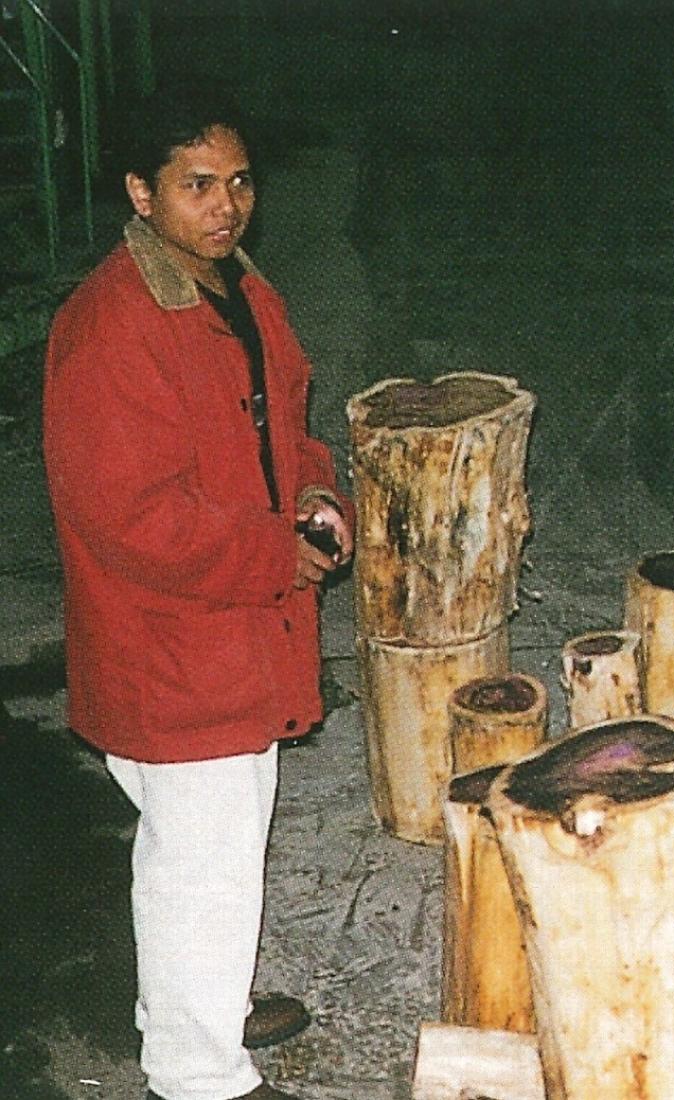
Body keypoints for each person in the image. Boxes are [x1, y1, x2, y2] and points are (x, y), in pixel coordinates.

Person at [43, 87, 353, 1100]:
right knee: (201, 863)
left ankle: (194, 998)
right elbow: (132, 518)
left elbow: (289, 420)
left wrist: (315, 489)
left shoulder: (237, 290)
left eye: (238, 181)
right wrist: (277, 554)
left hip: (235, 631)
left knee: (217, 845)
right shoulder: (114, 326)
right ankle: (197, 1068)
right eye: (196, 185)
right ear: (141, 192)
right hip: (171, 642)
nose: (226, 205)